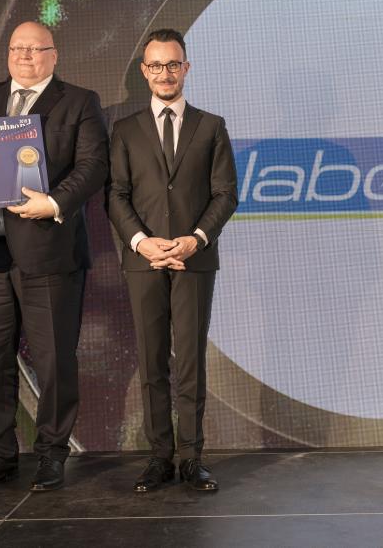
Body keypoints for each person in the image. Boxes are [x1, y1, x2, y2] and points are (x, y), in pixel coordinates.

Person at [0, 21, 108, 492]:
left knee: (54, 361)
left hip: (49, 251)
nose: (25, 56)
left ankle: (51, 453)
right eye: (17, 48)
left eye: (35, 49)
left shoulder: (79, 101)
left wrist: (53, 202)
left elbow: (94, 165)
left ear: (54, 55)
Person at [108, 28, 237, 492]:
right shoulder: (124, 130)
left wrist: (194, 240)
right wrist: (142, 242)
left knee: (190, 362)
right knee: (152, 361)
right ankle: (159, 457)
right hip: (144, 261)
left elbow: (226, 194)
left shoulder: (212, 126)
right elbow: (116, 195)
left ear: (186, 68)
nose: (165, 73)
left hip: (193, 261)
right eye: (157, 65)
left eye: (173, 64)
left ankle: (191, 458)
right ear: (145, 71)